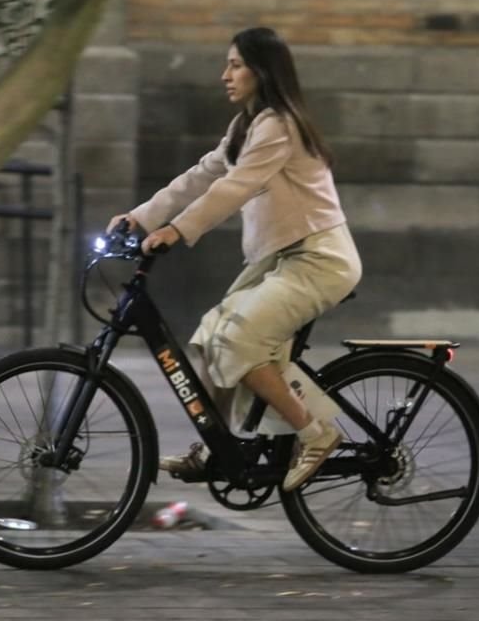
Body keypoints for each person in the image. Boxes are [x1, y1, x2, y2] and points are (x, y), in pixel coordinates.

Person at [108, 27, 362, 492]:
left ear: (262, 71)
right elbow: (202, 175)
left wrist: (175, 230)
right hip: (280, 259)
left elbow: (234, 187)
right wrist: (140, 218)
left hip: (318, 259)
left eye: (236, 65)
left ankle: (316, 434)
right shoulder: (248, 124)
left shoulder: (279, 125)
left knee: (239, 340)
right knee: (210, 339)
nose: (225, 75)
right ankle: (217, 448)